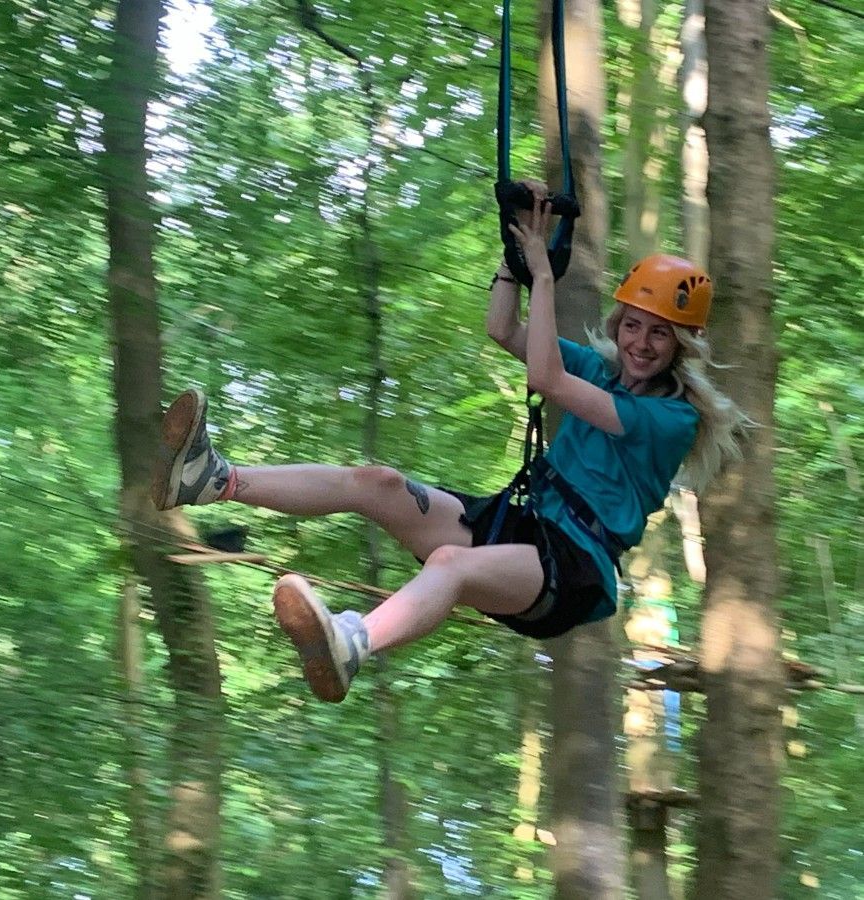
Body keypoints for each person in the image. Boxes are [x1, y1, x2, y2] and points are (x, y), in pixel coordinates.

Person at [151, 181, 746, 703]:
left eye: (659, 335)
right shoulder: (601, 370)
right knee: (376, 483)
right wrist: (513, 259)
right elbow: (502, 330)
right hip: (522, 524)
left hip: (573, 567)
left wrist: (544, 273)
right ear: (621, 326)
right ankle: (213, 479)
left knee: (451, 565)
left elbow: (545, 378)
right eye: (634, 326)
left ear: (681, 346)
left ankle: (354, 643)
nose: (641, 343)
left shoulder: (671, 419)